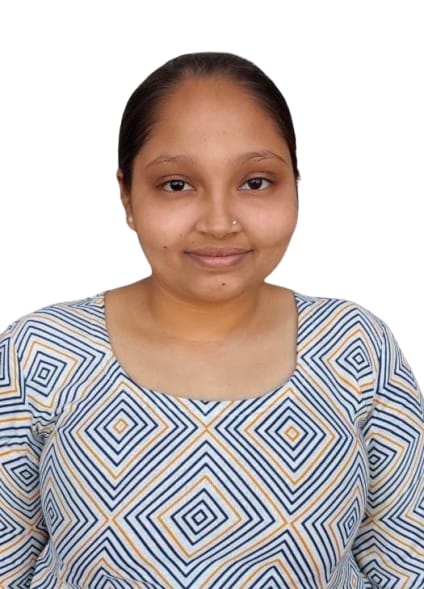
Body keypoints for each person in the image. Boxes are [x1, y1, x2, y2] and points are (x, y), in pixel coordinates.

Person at [0, 51, 422, 589]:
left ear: (296, 183)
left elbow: (408, 564)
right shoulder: (39, 354)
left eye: (256, 182)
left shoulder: (355, 347)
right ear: (127, 194)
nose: (220, 222)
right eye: (177, 184)